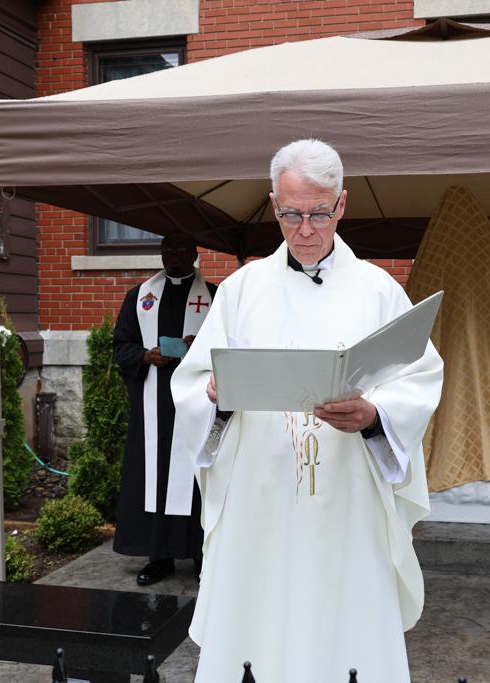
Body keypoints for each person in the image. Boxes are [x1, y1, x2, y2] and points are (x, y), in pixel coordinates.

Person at [170, 139, 444, 682]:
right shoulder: (242, 290)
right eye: (291, 214)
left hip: (348, 499)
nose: (306, 228)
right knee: (258, 621)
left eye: (319, 213)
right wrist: (216, 400)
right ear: (274, 204)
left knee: (346, 628)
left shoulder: (378, 290)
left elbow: (420, 377)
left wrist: (375, 414)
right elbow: (194, 381)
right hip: (260, 497)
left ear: (342, 204)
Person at [112, 232, 215, 586]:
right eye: (168, 248)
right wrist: (145, 355)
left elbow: (234, 346)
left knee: (199, 476)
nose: (175, 254)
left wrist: (200, 346)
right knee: (154, 476)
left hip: (198, 405)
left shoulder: (214, 298)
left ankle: (203, 555)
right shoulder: (140, 298)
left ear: (195, 252)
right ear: (160, 253)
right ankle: (159, 557)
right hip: (154, 406)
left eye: (183, 247)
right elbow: (120, 347)